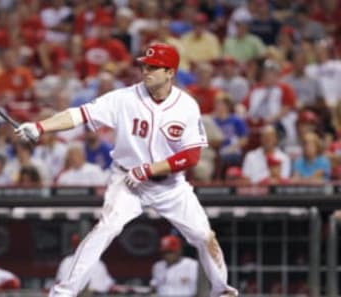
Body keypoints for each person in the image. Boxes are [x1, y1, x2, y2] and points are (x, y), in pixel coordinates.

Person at [15, 43, 238, 297]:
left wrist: (150, 168)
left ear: (170, 72)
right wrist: (41, 126)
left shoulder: (186, 106)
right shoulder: (123, 98)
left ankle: (222, 291)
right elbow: (79, 115)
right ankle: (63, 293)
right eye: (144, 65)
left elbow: (191, 156)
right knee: (106, 228)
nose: (146, 71)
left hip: (170, 185)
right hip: (127, 179)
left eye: (153, 67)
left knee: (203, 235)